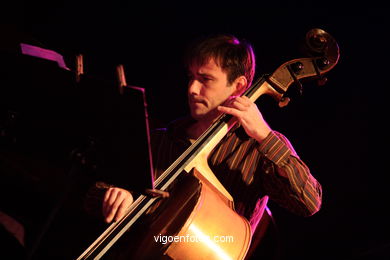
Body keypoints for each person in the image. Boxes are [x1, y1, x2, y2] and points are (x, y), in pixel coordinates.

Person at [85, 34, 322, 258]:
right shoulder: (161, 139)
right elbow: (94, 190)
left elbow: (309, 202)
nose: (192, 89)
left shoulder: (258, 148)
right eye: (191, 77)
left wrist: (264, 135)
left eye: (206, 79)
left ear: (239, 87)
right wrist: (114, 195)